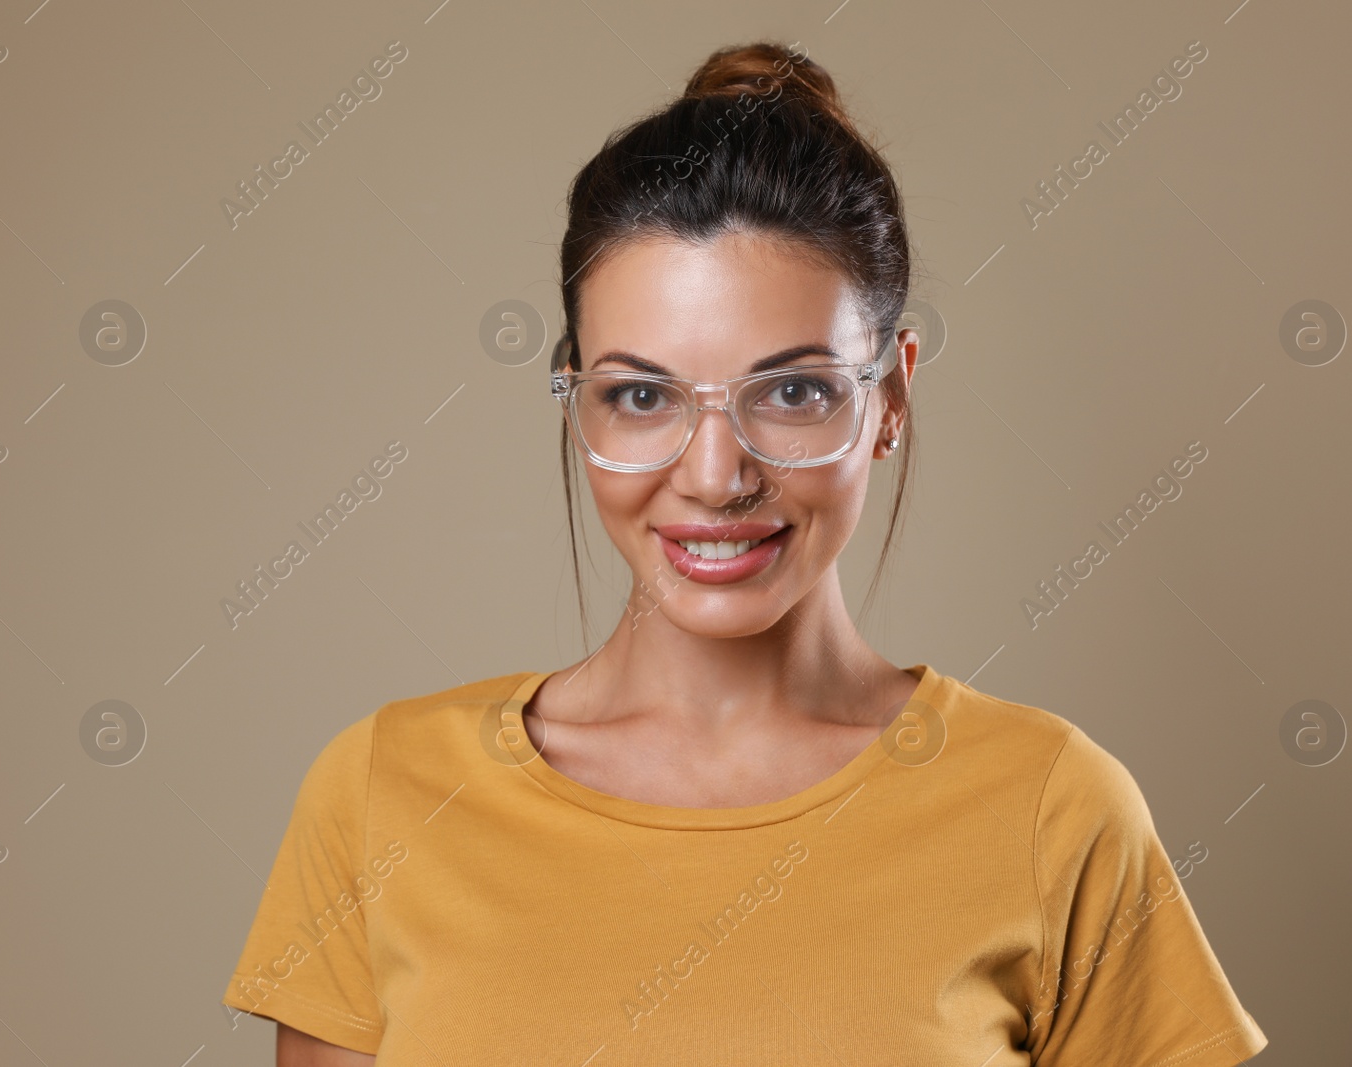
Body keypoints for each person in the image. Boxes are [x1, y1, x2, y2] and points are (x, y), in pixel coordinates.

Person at [221, 39, 1269, 1066]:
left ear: (890, 396)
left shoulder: (1052, 807)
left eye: (794, 390)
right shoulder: (382, 795)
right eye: (640, 395)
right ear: (574, 391)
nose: (716, 474)